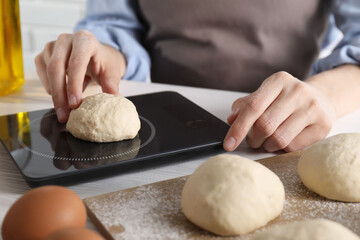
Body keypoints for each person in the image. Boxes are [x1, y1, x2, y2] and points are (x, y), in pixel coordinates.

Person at [35, 0, 360, 153]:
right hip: (164, 130)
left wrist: (325, 95)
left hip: (289, 130)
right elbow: (113, 21)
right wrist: (104, 51)